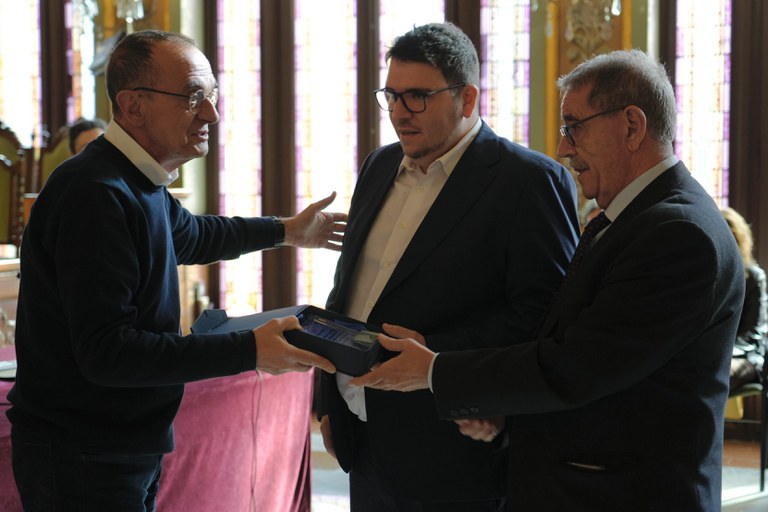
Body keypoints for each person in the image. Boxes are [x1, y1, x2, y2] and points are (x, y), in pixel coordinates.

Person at [350, 49, 745, 511]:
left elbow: (579, 365)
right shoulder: (638, 217)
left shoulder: (679, 233)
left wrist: (435, 370)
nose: (563, 149)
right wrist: (504, 412)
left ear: (631, 126)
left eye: (574, 127)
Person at [8, 30, 346, 511]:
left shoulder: (133, 179)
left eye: (212, 95)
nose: (211, 113)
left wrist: (286, 231)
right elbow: (108, 353)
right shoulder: (96, 193)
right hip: (83, 452)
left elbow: (190, 235)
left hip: (117, 444)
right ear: (133, 105)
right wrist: (249, 349)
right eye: (192, 97)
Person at [318, 22, 580, 511]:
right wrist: (327, 401)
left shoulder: (528, 181)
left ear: (467, 98)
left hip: (453, 448)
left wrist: (437, 355)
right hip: (362, 438)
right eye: (392, 95)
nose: (400, 112)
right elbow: (347, 290)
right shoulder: (378, 165)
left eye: (418, 97)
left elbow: (543, 315)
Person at [722, 207, 767, 390]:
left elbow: (753, 333)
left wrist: (721, 353)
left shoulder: (754, 277)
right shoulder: (710, 278)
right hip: (715, 356)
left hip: (745, 356)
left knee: (715, 374)